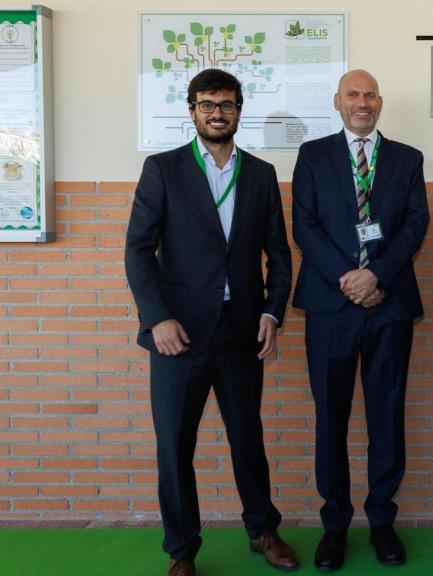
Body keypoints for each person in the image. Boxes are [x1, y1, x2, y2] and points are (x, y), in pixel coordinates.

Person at [125, 68, 296, 576]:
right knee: (175, 445)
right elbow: (138, 251)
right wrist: (157, 319)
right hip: (179, 335)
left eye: (225, 104)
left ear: (239, 111)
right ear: (192, 111)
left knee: (248, 439)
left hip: (241, 330)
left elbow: (279, 255)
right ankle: (182, 551)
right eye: (207, 104)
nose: (216, 113)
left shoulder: (261, 174)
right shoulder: (163, 169)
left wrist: (272, 311)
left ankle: (263, 530)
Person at [291, 69, 428, 570]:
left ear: (381, 102)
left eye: (370, 94)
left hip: (388, 305)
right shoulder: (313, 155)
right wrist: (349, 278)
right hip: (331, 306)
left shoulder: (407, 159)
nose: (362, 102)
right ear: (337, 102)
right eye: (353, 94)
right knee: (332, 416)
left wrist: (377, 277)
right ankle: (334, 524)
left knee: (386, 415)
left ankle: (382, 521)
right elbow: (303, 224)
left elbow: (416, 224)